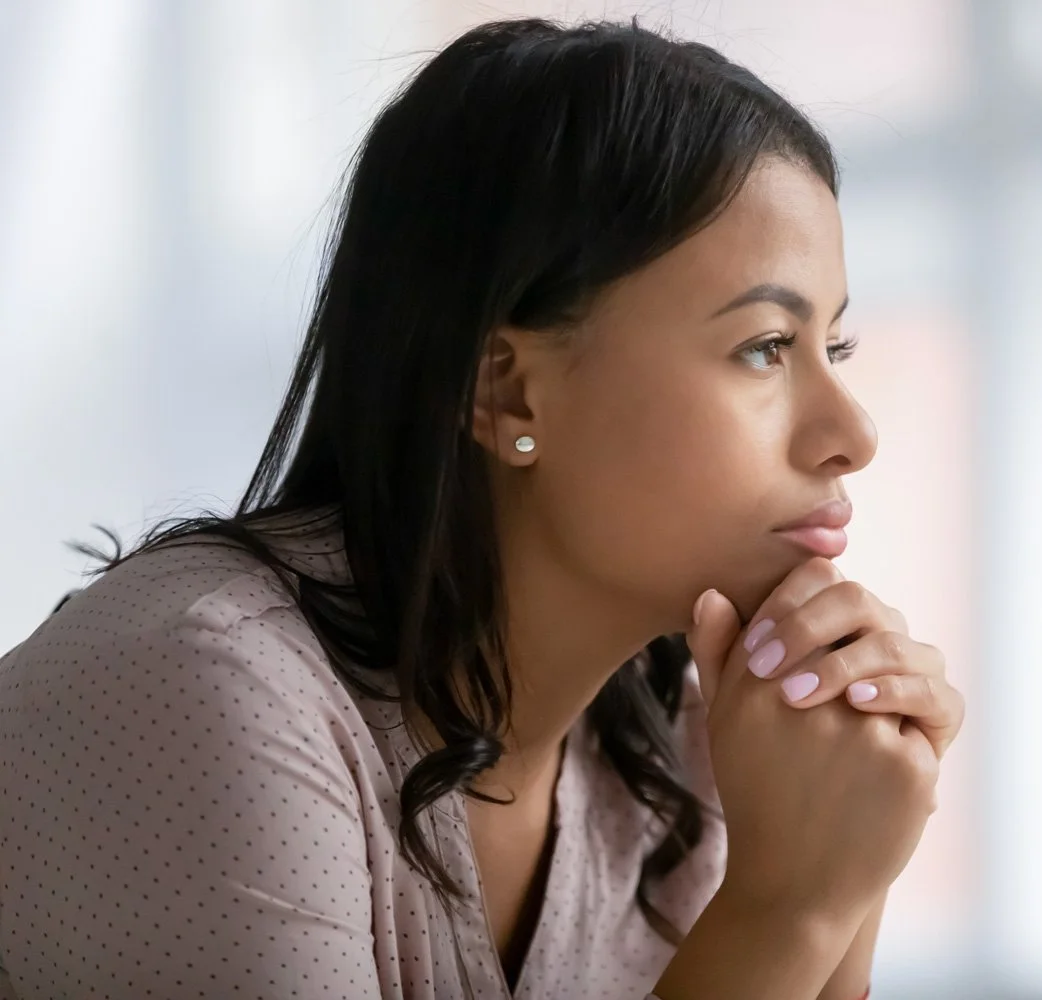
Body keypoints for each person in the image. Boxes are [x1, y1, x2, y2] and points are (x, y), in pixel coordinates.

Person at [0, 18, 964, 1000]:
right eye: (765, 346)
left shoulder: (707, 746)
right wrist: (788, 905)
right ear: (507, 392)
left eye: (833, 349)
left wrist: (846, 864)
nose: (853, 432)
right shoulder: (200, 690)